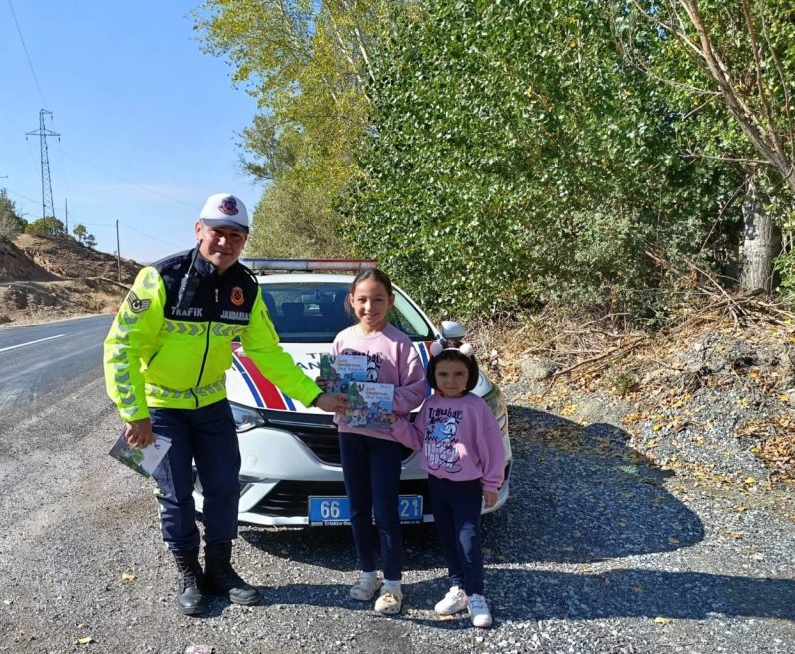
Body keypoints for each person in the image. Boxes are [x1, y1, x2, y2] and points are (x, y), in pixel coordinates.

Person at [103, 193, 345, 616]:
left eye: (236, 236)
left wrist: (314, 395)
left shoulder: (246, 288)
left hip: (213, 405)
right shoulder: (160, 279)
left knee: (223, 488)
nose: (225, 242)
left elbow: (267, 354)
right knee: (176, 493)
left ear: (245, 240)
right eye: (218, 232)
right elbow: (121, 348)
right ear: (199, 230)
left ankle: (220, 571)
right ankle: (188, 573)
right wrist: (134, 412)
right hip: (161, 408)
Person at [330, 267, 427, 615]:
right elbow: (335, 386)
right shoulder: (342, 339)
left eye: (377, 299)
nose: (369, 307)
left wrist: (382, 400)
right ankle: (367, 574)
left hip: (385, 437)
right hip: (350, 434)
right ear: (351, 301)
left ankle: (393, 585)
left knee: (385, 510)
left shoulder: (400, 343)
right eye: (362, 299)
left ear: (391, 301)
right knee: (358, 508)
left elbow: (416, 391)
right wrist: (329, 390)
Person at [389, 343, 505, 628]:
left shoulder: (476, 407)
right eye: (443, 374)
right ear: (433, 375)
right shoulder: (430, 405)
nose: (450, 380)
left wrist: (492, 483)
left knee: (468, 540)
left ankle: (476, 595)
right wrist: (395, 423)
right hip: (437, 483)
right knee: (447, 538)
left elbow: (493, 448)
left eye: (458, 374)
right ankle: (458, 588)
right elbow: (419, 440)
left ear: (470, 374)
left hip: (467, 486)